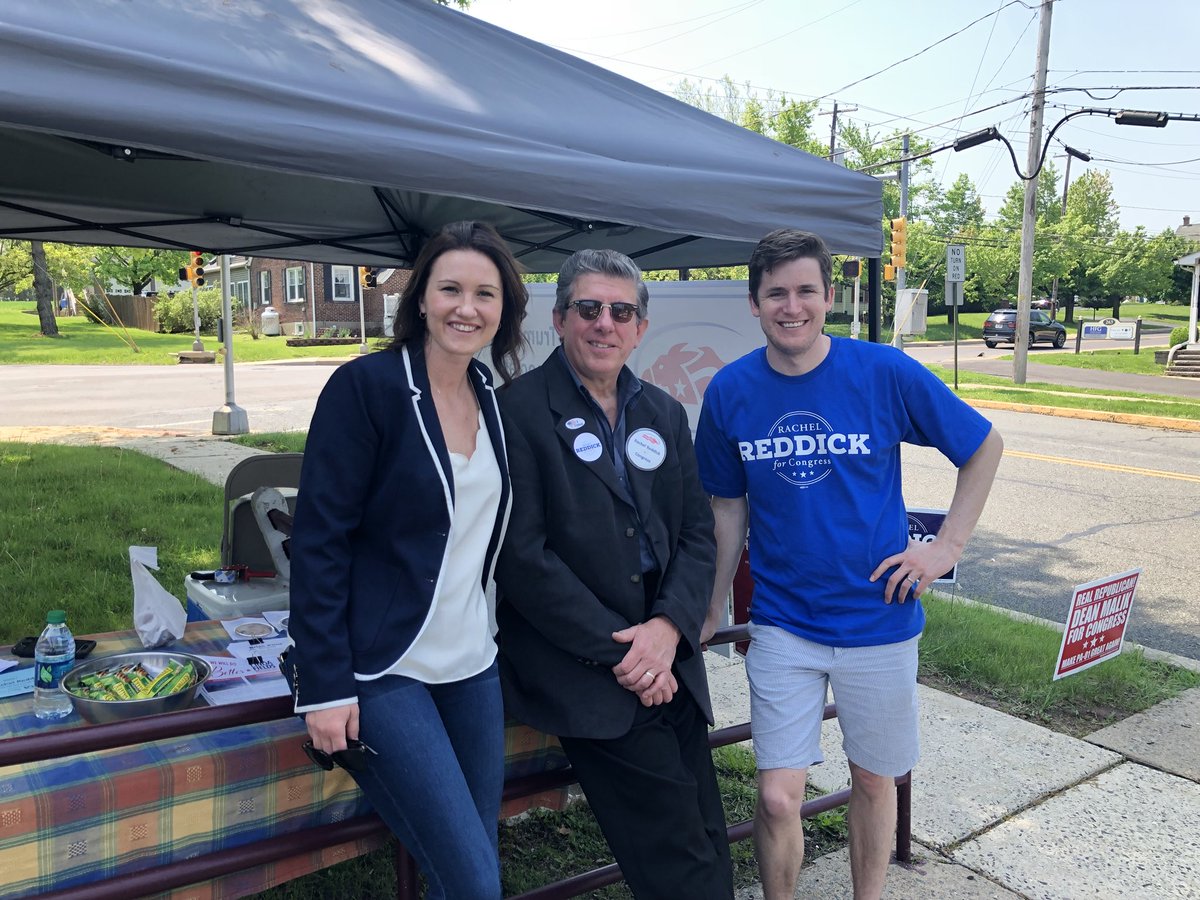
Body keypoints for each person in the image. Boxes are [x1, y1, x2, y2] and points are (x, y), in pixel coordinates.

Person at [694, 228, 1003, 900]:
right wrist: (714, 603)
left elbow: (982, 446)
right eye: (776, 292)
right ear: (755, 303)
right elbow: (727, 510)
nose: (792, 305)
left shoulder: (881, 372)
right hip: (783, 623)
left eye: (806, 290)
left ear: (830, 296)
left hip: (879, 621)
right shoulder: (731, 392)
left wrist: (945, 547)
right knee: (778, 798)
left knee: (872, 779)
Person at [283, 221, 528, 899]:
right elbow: (319, 541)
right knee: (475, 883)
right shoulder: (367, 389)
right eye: (450, 288)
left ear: (503, 309)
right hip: (383, 667)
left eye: (485, 293)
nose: (466, 307)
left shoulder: (491, 399)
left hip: (472, 664)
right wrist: (325, 685)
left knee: (470, 865)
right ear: (420, 298)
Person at [495, 249, 733, 900]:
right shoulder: (515, 412)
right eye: (590, 308)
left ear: (640, 327)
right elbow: (523, 558)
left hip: (669, 662)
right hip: (591, 672)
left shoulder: (660, 410)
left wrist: (666, 631)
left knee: (709, 837)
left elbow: (695, 533)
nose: (605, 324)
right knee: (679, 862)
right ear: (561, 317)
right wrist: (629, 654)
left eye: (621, 311)